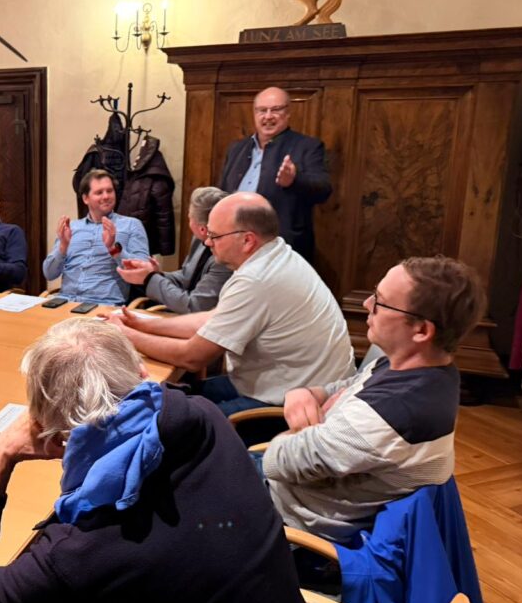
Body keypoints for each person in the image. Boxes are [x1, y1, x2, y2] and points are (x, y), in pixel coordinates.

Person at [0, 319, 321, 603]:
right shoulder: (205, 417)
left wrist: (1, 456)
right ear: (142, 373)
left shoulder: (76, 557)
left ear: (47, 429)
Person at [263, 256, 486, 544]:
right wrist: (308, 394)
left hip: (289, 525)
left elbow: (276, 462)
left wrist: (297, 429)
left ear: (421, 330)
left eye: (381, 302)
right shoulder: (422, 370)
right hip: (291, 493)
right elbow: (347, 386)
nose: (367, 304)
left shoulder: (389, 414)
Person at [107, 192, 354, 415]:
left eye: (214, 236)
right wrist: (142, 324)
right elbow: (212, 319)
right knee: (169, 398)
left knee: (163, 418)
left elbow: (192, 357)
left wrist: (125, 335)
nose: (207, 242)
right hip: (285, 386)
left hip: (289, 406)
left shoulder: (257, 279)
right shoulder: (275, 255)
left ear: (247, 240)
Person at [219, 87, 331, 262]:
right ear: (254, 113)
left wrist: (294, 180)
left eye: (276, 110)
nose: (268, 116)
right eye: (262, 110)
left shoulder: (307, 146)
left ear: (288, 113)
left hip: (281, 247)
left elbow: (323, 190)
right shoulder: (237, 149)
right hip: (235, 243)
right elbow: (222, 193)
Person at [116, 186, 231, 314]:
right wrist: (156, 274)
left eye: (189, 215)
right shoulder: (199, 239)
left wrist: (149, 278)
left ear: (202, 229)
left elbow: (193, 306)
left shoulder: (225, 256)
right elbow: (185, 278)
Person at [42, 169, 149, 305]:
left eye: (109, 191)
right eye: (99, 192)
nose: (106, 196)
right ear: (85, 198)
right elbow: (49, 274)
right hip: (64, 302)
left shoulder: (131, 225)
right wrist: (63, 246)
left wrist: (113, 249)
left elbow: (142, 272)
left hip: (103, 305)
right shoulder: (72, 228)